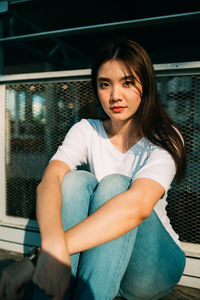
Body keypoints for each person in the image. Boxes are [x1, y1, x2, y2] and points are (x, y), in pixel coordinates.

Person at [0, 39, 187, 300]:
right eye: (104, 84)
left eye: (128, 82)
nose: (115, 96)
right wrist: (53, 244)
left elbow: (138, 207)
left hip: (152, 268)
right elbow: (49, 180)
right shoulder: (86, 130)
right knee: (74, 181)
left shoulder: (165, 137)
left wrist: (41, 256)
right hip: (103, 259)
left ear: (146, 85)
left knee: (115, 185)